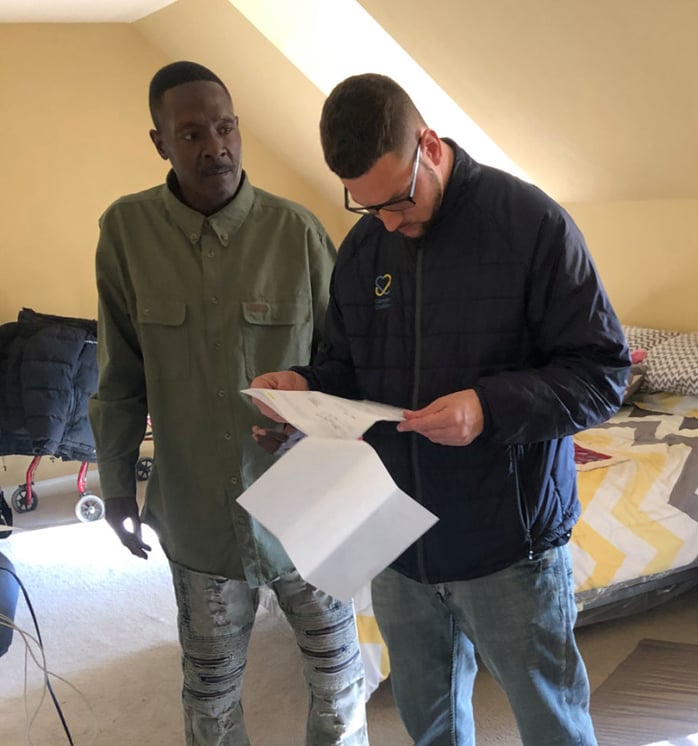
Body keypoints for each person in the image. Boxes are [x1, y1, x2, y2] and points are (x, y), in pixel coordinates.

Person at [250, 73, 629, 745]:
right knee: (431, 731)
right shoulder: (367, 246)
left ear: (429, 144)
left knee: (553, 728)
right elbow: (350, 369)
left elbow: (601, 374)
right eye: (367, 208)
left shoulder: (531, 223)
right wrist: (301, 387)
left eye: (399, 199)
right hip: (397, 540)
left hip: (509, 548)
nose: (390, 222)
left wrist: (487, 407)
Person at [89, 61, 367, 745]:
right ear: (159, 142)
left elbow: (351, 365)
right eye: (190, 133)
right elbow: (120, 375)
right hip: (198, 517)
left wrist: (317, 425)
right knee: (208, 694)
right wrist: (118, 488)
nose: (214, 145)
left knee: (339, 687)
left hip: (306, 512)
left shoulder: (297, 232)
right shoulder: (125, 234)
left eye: (225, 126)